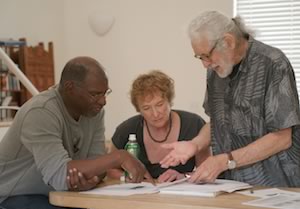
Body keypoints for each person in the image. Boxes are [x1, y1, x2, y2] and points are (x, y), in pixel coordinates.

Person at [160, 11, 300, 187]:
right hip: (230, 186)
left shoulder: (273, 63)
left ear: (228, 42)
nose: (205, 64)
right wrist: (195, 145)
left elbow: (282, 137)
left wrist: (225, 160)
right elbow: (218, 121)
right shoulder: (216, 69)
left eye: (206, 55)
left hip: (275, 185)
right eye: (199, 57)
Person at [0, 56, 153, 209]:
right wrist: (119, 157)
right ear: (69, 87)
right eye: (95, 94)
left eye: (105, 93)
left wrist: (90, 178)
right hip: (12, 195)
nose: (103, 101)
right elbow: (60, 175)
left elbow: (97, 164)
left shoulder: (94, 112)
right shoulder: (40, 112)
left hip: (57, 193)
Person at [108, 70, 210, 183]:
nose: (155, 114)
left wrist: (183, 176)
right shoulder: (127, 129)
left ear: (169, 101)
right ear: (139, 110)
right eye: (146, 108)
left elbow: (206, 170)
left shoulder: (193, 124)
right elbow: (110, 169)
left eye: (159, 104)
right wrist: (129, 178)